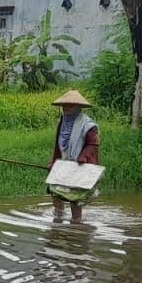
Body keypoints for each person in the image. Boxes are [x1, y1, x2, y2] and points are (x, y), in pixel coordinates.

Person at [48, 89, 101, 223]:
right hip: (63, 162)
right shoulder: (63, 122)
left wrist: (82, 157)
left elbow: (93, 144)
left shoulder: (88, 125)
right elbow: (58, 144)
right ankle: (58, 217)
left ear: (78, 107)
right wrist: (53, 161)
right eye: (64, 105)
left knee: (74, 197)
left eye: (70, 105)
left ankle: (76, 224)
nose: (65, 108)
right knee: (55, 191)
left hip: (80, 163)